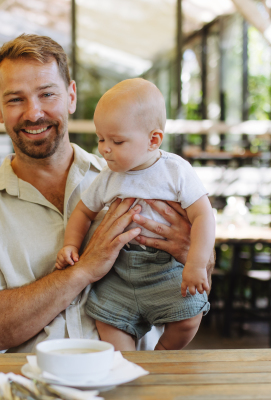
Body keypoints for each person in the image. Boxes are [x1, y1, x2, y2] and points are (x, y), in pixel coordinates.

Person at [0, 34, 214, 353]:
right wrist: (81, 271)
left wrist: (194, 255)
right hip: (33, 384)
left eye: (47, 94)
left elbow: (201, 263)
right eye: (16, 99)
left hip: (134, 381)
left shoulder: (137, 177)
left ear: (71, 96)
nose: (34, 113)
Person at [56, 78, 214, 351]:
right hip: (119, 271)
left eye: (117, 141)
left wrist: (197, 265)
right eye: (101, 139)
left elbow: (204, 216)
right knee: (107, 321)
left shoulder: (176, 171)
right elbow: (83, 211)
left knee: (190, 316)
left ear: (153, 140)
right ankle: (129, 362)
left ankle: (161, 354)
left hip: (166, 269)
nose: (104, 148)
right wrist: (70, 243)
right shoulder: (108, 177)